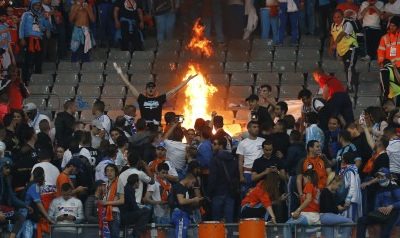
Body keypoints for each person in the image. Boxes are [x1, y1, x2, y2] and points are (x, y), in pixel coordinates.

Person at [115, 63, 196, 123]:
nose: (151, 89)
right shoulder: (141, 98)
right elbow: (129, 85)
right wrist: (120, 73)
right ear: (145, 90)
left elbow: (174, 90)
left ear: (155, 90)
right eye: (149, 88)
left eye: (152, 88)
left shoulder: (160, 99)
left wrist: (187, 80)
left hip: (156, 129)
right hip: (145, 128)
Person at [356, 167, 400, 238]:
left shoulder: (394, 187)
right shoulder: (379, 189)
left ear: (387, 176)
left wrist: (392, 206)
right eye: (378, 177)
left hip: (394, 215)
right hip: (381, 214)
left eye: (382, 176)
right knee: (361, 220)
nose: (380, 178)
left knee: (384, 234)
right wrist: (379, 208)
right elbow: (376, 206)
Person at [208, 136, 239, 223]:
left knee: (216, 222)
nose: (212, 146)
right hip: (230, 193)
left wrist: (209, 193)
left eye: (214, 144)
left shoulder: (215, 160)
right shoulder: (233, 159)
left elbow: (212, 178)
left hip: (217, 192)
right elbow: (236, 176)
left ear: (221, 146)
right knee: (229, 221)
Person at [19, 0, 51, 83]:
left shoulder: (42, 15)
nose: (37, 6)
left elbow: (46, 27)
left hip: (39, 39)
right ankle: (26, 79)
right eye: (36, 5)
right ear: (32, 5)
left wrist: (46, 19)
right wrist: (21, 38)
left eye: (39, 5)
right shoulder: (26, 14)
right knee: (28, 59)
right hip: (28, 39)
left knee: (39, 59)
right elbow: (21, 26)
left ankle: (37, 78)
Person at [284, 170, 321, 238]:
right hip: (315, 216)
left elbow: (309, 199)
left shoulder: (309, 185)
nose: (303, 181)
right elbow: (311, 199)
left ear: (308, 177)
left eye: (304, 178)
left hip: (308, 216)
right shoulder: (317, 187)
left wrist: (298, 210)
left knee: (286, 226)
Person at [329, 9, 358, 91]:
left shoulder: (347, 23)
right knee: (347, 68)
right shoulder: (333, 25)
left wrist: (335, 44)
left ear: (343, 16)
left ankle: (350, 87)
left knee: (349, 68)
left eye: (338, 17)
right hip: (342, 50)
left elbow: (342, 34)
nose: (336, 19)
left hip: (351, 48)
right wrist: (330, 47)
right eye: (334, 17)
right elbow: (332, 36)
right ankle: (353, 84)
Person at [0, 157, 29, 238]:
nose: (8, 170)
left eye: (9, 168)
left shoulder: (7, 179)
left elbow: (12, 197)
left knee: (20, 217)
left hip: (3, 209)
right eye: (6, 168)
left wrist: (25, 205)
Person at [22, 167, 54, 238]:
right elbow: (39, 204)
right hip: (27, 217)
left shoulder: (32, 185)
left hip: (28, 216)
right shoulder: (34, 186)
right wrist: (48, 218)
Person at [171, 172, 203, 238]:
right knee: (181, 235)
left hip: (185, 215)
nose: (192, 185)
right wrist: (194, 199)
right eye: (192, 183)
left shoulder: (185, 188)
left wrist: (196, 201)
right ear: (189, 179)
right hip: (180, 215)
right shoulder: (179, 187)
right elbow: (181, 201)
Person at [237, 121, 265, 196]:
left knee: (261, 197)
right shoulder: (242, 143)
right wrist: (241, 176)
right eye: (254, 127)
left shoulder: (263, 141)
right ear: (248, 129)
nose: (257, 129)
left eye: (258, 127)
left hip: (260, 174)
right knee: (246, 196)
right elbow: (240, 161)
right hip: (247, 173)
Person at [377, 16, 400, 100]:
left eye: (394, 26)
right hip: (390, 65)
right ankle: (385, 94)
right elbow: (380, 52)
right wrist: (381, 62)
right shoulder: (384, 38)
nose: (391, 27)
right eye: (390, 25)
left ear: (398, 27)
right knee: (383, 70)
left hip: (399, 67)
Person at [101, 164, 124, 238]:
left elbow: (122, 200)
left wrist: (107, 202)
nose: (109, 172)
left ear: (115, 172)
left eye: (111, 170)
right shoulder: (105, 183)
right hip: (105, 212)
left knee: (114, 235)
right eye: (107, 170)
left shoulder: (119, 182)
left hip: (114, 212)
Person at [286, 130, 307, 213]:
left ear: (291, 138)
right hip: (304, 177)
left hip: (294, 175)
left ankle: (291, 222)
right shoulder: (304, 148)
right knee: (301, 200)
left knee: (292, 200)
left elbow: (288, 162)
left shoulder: (292, 149)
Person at [339, 152, 363, 222]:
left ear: (344, 160)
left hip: (351, 200)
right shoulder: (354, 170)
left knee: (348, 222)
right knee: (352, 221)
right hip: (354, 199)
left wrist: (348, 199)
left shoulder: (349, 171)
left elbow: (352, 186)